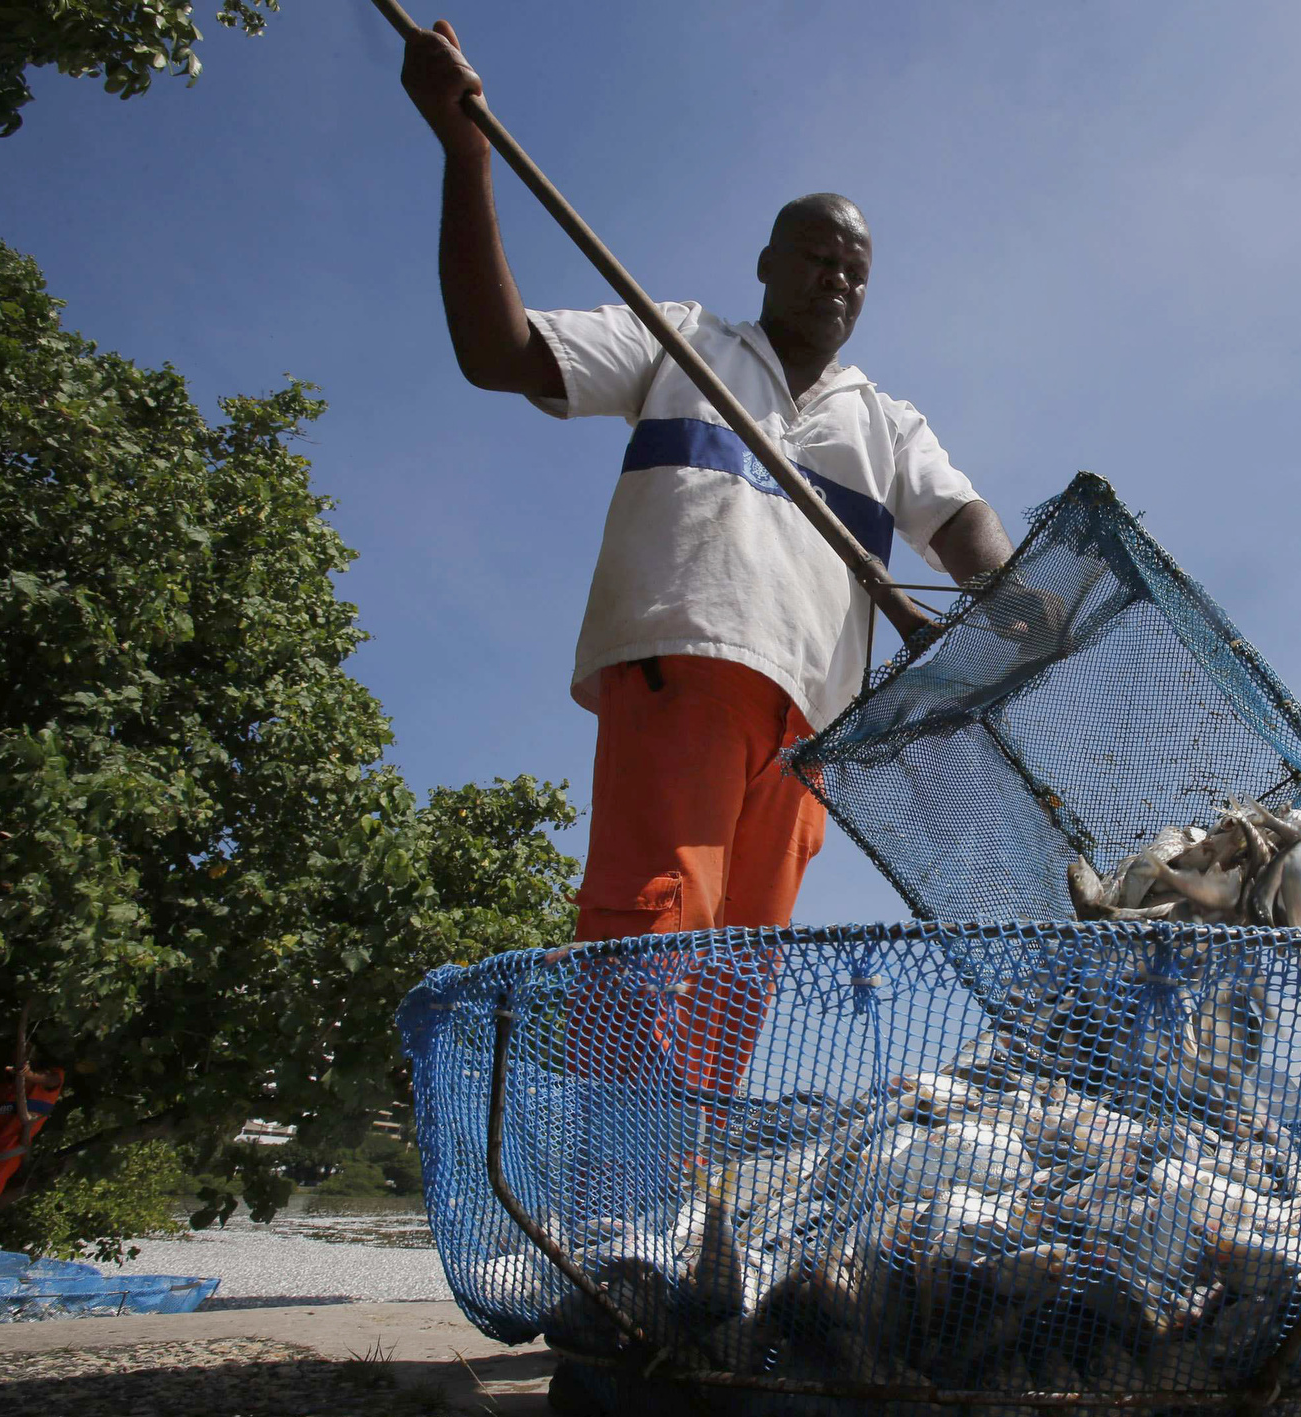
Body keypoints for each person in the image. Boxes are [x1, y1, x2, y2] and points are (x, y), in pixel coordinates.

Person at [399, 22, 1025, 1100]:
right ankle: (616, 1190)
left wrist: (1011, 600)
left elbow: (965, 523)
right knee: (652, 932)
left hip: (813, 730)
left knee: (742, 971)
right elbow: (492, 352)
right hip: (685, 671)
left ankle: (680, 1189)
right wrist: (465, 156)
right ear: (767, 263)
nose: (836, 277)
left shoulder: (887, 420)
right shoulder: (678, 341)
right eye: (817, 255)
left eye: (855, 270)